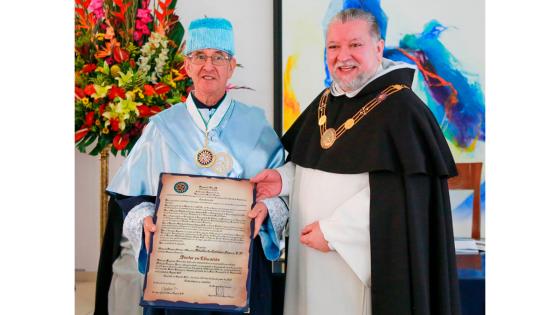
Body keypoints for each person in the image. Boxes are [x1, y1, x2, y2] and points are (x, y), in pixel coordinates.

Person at [250, 8, 461, 315]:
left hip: (356, 266)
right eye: (333, 46)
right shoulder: (325, 100)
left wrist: (336, 233)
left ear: (378, 47)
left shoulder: (403, 109)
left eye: (355, 45)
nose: (342, 56)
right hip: (309, 262)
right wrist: (283, 179)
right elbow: (312, 167)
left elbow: (399, 197)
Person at [94, 17, 289, 315]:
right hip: (176, 271)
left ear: (232, 66)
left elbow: (280, 191)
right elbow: (131, 194)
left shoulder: (257, 126)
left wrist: (267, 209)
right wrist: (146, 217)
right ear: (187, 66)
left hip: (238, 271)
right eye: (200, 57)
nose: (208, 66)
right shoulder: (161, 128)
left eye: (218, 57)